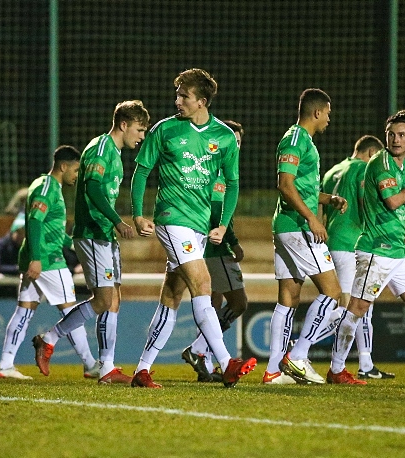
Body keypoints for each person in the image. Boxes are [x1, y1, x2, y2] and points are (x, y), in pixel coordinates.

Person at [130, 69, 256, 389]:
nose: (177, 101)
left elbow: (233, 184)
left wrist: (223, 225)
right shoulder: (165, 130)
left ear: (201, 101)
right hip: (172, 219)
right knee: (203, 282)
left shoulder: (224, 137)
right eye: (177, 95)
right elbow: (142, 172)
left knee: (172, 294)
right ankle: (226, 363)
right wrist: (138, 214)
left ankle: (142, 370)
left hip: (199, 227)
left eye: (183, 96)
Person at [328, 110, 405, 385]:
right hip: (376, 249)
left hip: (397, 250)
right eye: (392, 134)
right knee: (357, 308)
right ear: (386, 136)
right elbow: (392, 203)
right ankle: (336, 369)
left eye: (402, 135)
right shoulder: (381, 163)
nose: (396, 139)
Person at [32, 100, 148, 384]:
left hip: (104, 235)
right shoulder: (100, 148)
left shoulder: (115, 154)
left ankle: (106, 366)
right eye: (140, 129)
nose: (142, 136)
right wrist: (118, 220)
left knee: (113, 299)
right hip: (93, 233)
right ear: (124, 124)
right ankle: (49, 338)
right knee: (104, 300)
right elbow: (93, 187)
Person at [264, 88, 347, 385]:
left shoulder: (302, 141)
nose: (328, 119)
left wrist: (327, 200)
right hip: (297, 227)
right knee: (333, 293)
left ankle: (274, 370)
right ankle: (298, 356)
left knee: (289, 297)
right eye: (327, 113)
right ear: (316, 112)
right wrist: (312, 218)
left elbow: (302, 188)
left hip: (287, 225)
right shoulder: (296, 140)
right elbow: (285, 185)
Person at [0, 145, 100, 380]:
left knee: (24, 312)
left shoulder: (47, 185)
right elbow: (34, 221)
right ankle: (90, 364)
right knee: (72, 312)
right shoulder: (47, 187)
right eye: (75, 169)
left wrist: (73, 243)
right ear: (63, 166)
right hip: (48, 260)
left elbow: (50, 227)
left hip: (39, 257)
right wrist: (36, 258)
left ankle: (5, 365)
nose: (77, 174)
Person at [319, 134, 395, 380]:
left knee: (359, 306)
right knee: (351, 307)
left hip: (332, 240)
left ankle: (366, 362)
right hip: (353, 242)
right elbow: (365, 202)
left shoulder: (333, 171)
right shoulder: (364, 169)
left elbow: (321, 205)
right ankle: (301, 344)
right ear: (372, 153)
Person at [181, 120, 250, 382]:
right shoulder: (215, 174)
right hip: (215, 247)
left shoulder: (218, 171)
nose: (235, 146)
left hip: (207, 247)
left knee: (215, 303)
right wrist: (233, 241)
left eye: (239, 142)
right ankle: (199, 350)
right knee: (239, 303)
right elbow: (214, 215)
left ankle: (204, 358)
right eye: (231, 140)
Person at [0, 213, 26, 298]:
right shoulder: (1, 244)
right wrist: (17, 269)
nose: (20, 236)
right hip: (5, 278)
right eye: (18, 232)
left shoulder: (27, 246)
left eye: (23, 233)